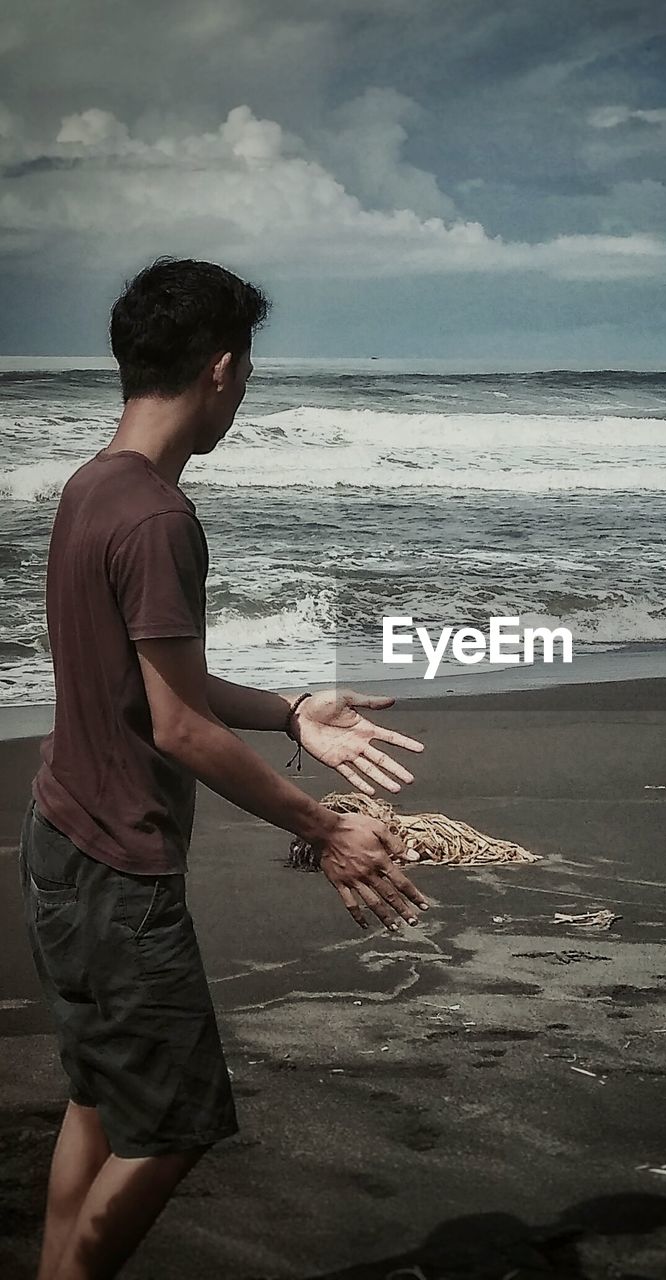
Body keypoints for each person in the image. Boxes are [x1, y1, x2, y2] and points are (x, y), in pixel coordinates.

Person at [19, 257, 430, 1280]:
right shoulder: (159, 516)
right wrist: (323, 825)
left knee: (101, 1095)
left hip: (61, 847)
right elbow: (177, 727)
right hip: (118, 871)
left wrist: (292, 710)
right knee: (171, 1124)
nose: (243, 392)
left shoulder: (91, 488)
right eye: (245, 371)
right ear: (220, 368)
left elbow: (144, 684)